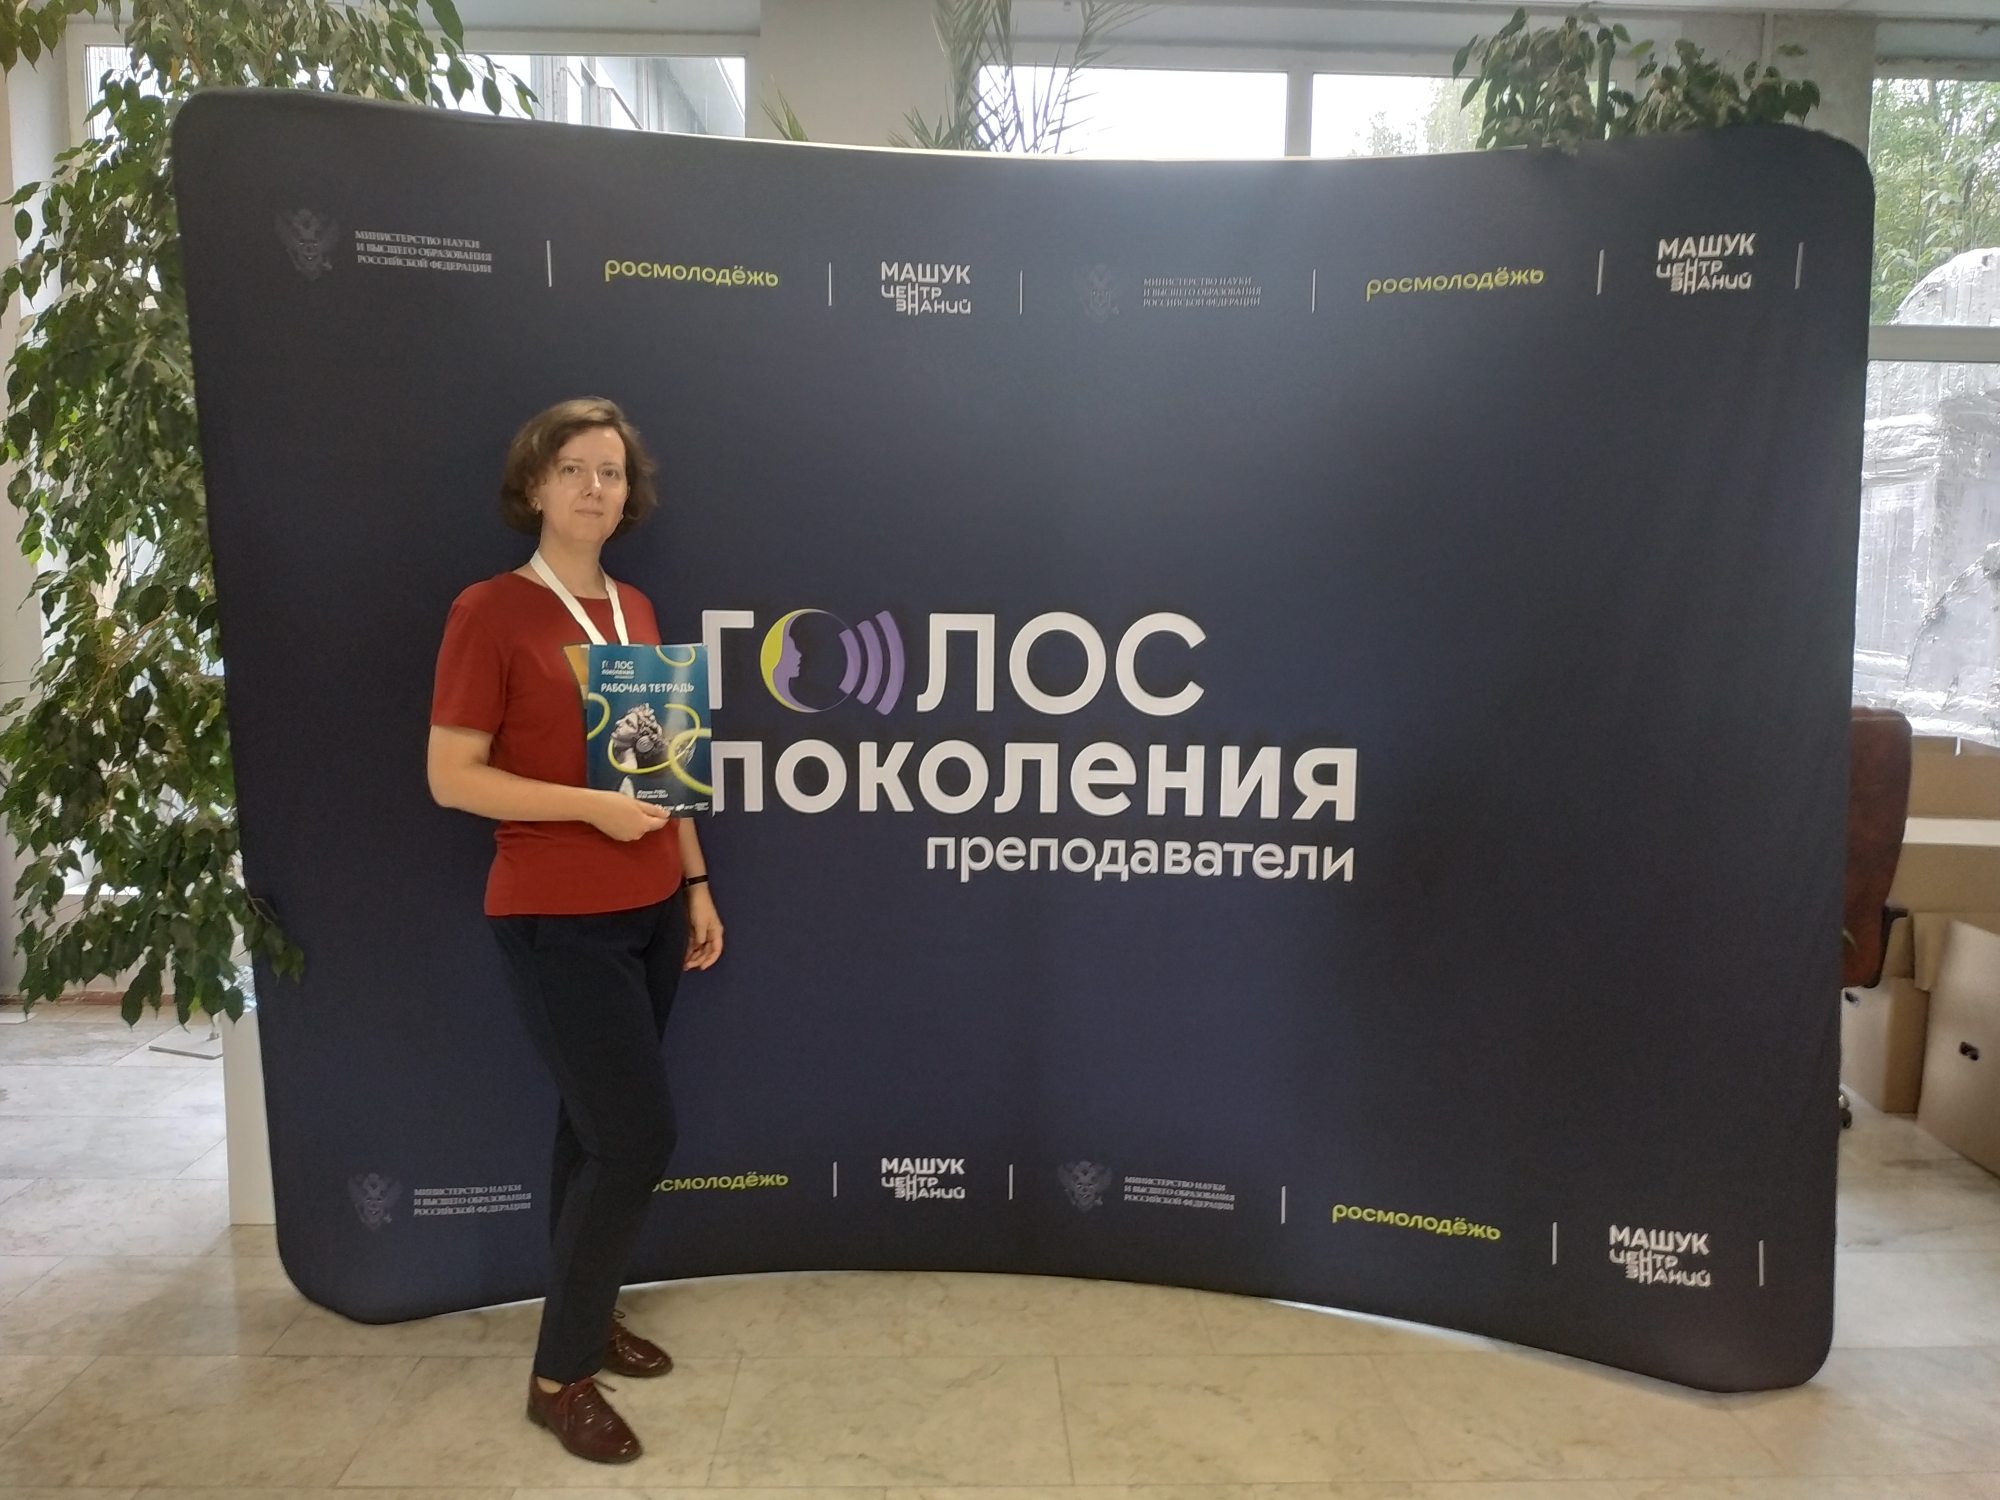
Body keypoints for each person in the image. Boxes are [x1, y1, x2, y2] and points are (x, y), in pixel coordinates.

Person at [427, 397, 723, 1464]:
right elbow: (452, 776)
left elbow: (665, 764)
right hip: (555, 916)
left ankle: (586, 1317)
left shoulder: (635, 608)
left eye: (612, 472)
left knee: (591, 1133)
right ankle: (559, 1379)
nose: (597, 488)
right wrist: (590, 809)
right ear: (534, 486)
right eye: (574, 469)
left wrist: (694, 881)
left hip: (651, 909)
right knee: (636, 1139)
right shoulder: (489, 611)